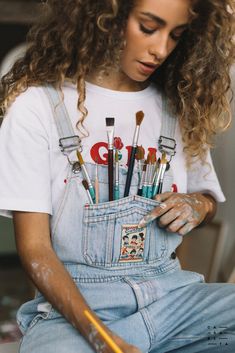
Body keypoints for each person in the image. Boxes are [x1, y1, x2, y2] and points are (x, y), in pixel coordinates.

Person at [0, 0, 234, 352]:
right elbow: (35, 250)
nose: (161, 49)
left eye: (176, 35)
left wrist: (197, 205)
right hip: (76, 312)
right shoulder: (37, 107)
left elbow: (208, 201)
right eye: (149, 27)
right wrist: (103, 339)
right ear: (105, 17)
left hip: (172, 299)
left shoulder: (179, 104)